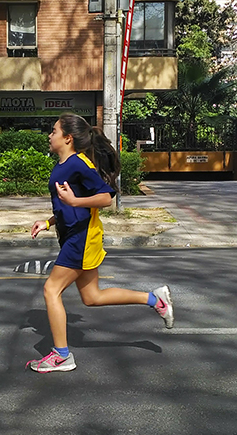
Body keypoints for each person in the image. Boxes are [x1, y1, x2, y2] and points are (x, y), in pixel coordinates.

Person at [25, 113, 174, 373]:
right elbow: (67, 205)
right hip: (76, 236)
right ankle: (155, 299)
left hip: (82, 238)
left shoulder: (79, 164)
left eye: (54, 131)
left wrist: (74, 201)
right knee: (92, 297)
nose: (49, 135)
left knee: (51, 290)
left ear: (68, 138)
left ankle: (62, 356)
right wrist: (48, 222)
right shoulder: (64, 164)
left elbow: (106, 197)